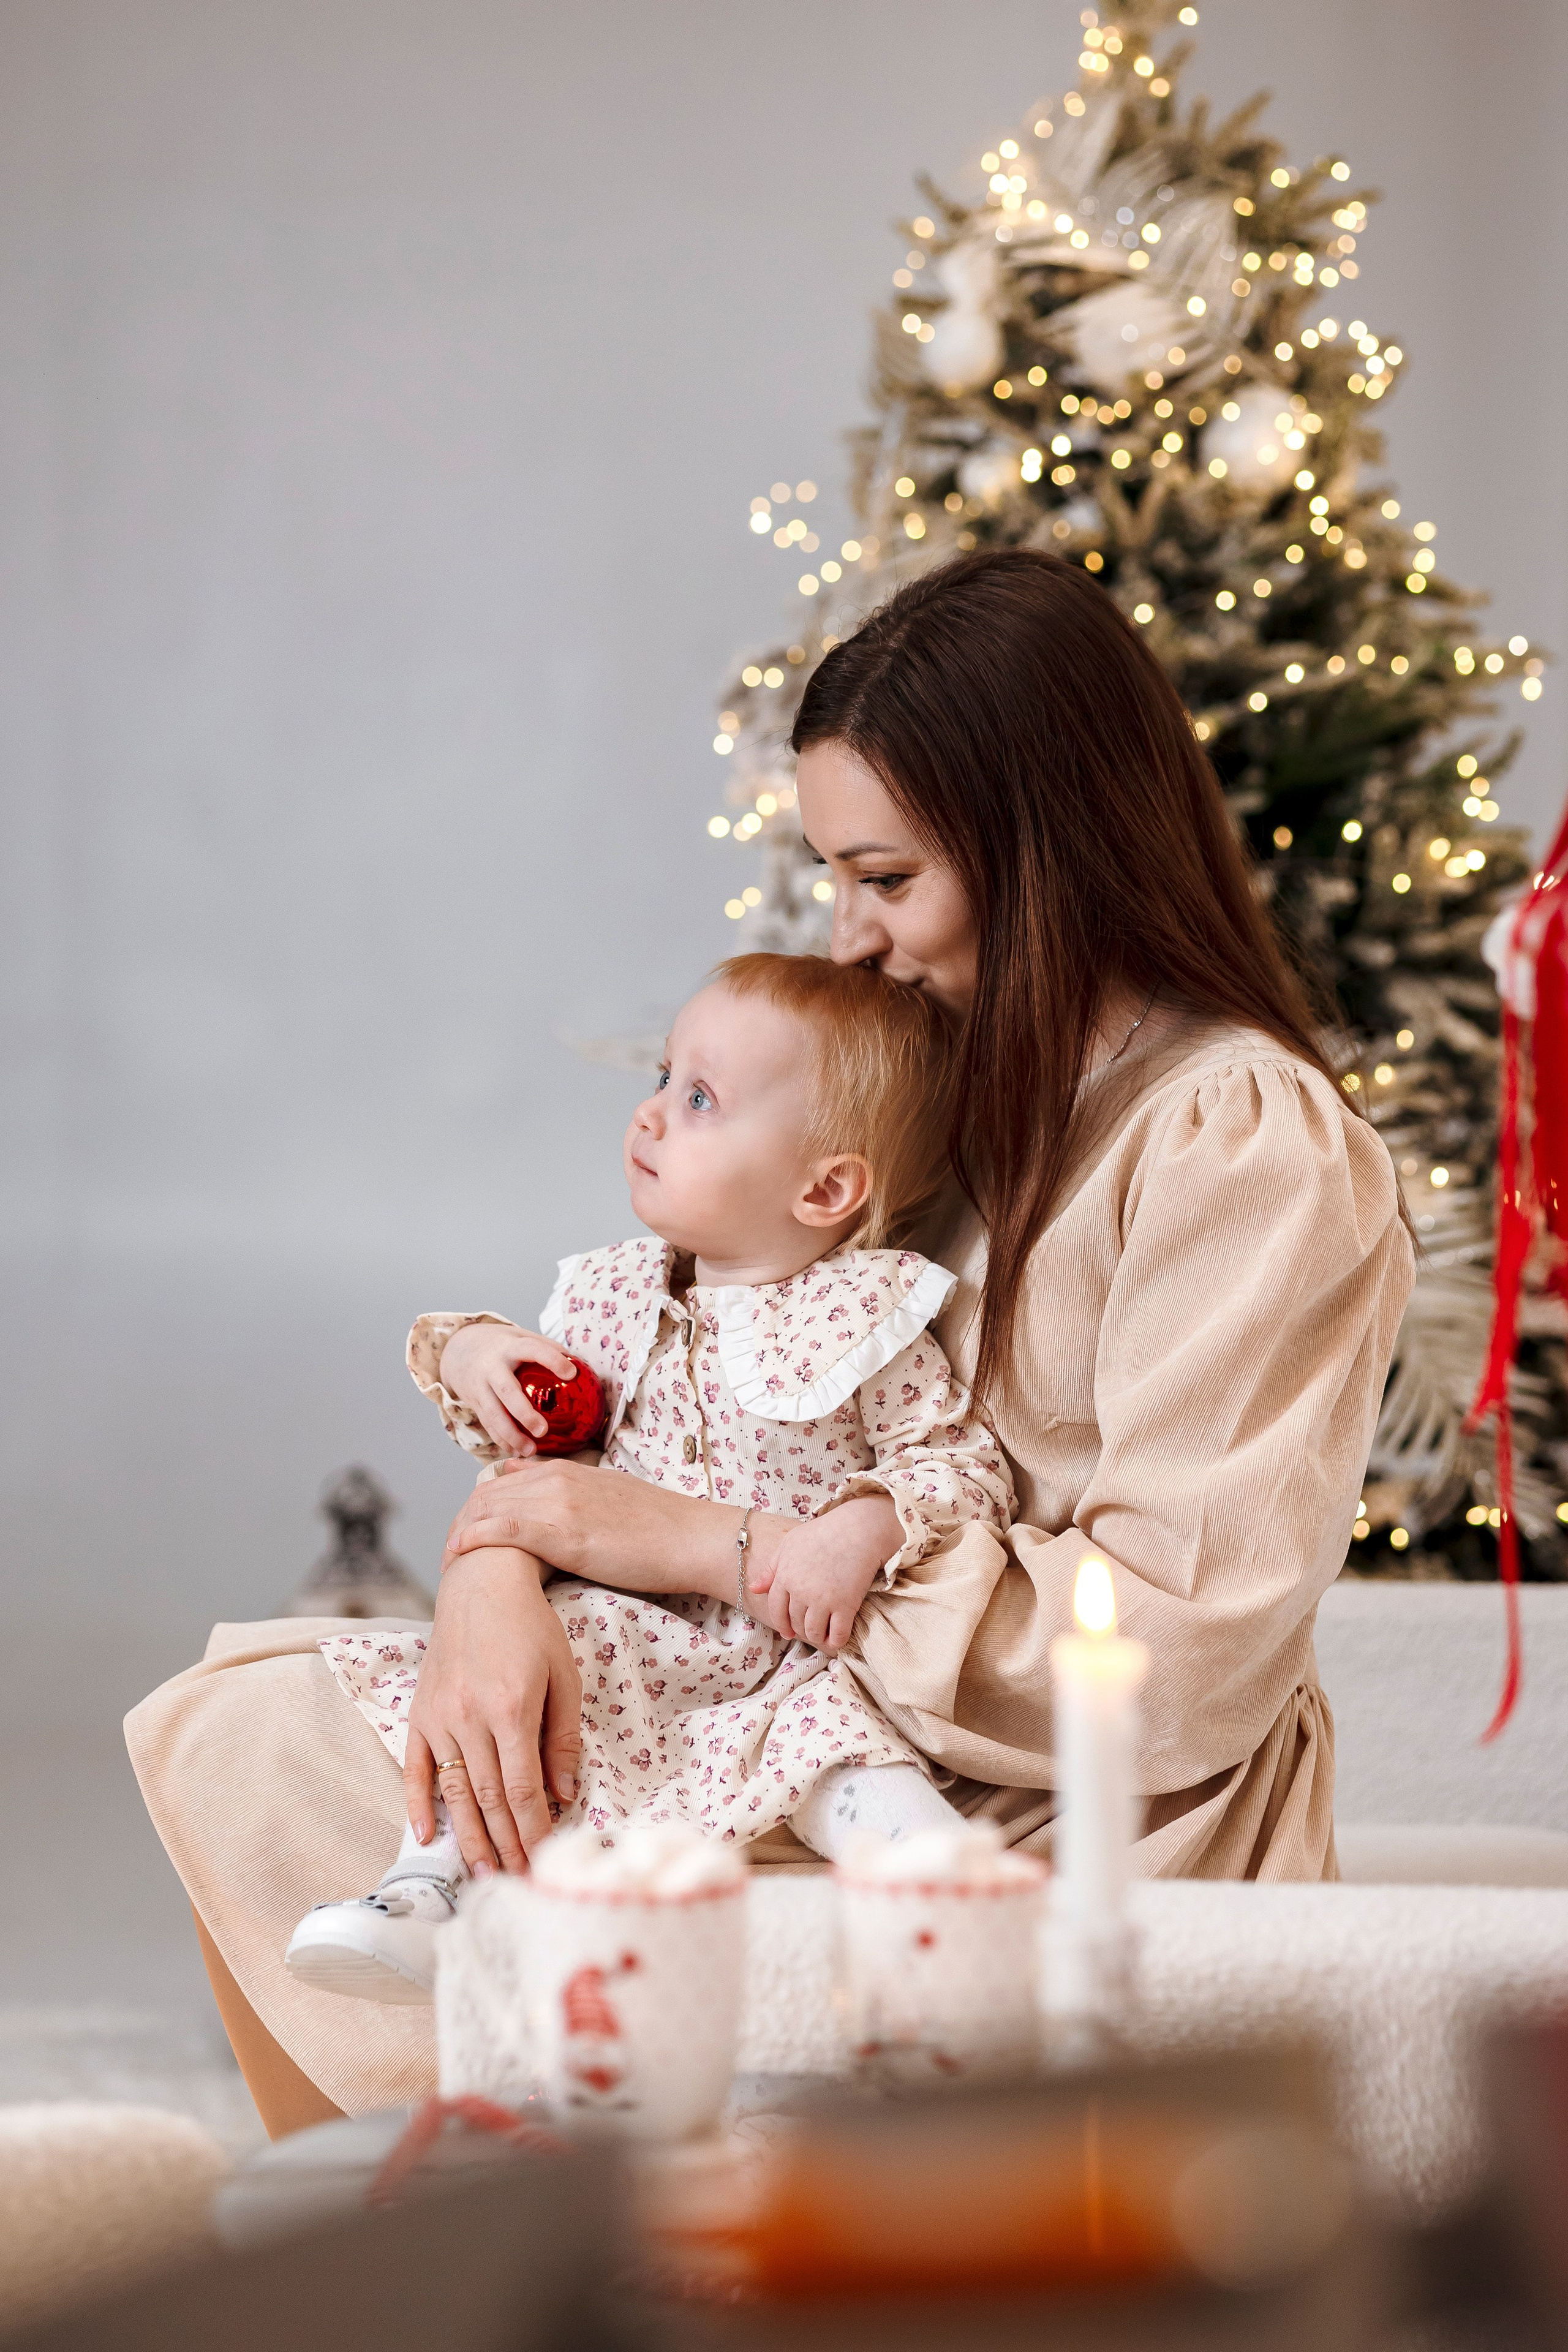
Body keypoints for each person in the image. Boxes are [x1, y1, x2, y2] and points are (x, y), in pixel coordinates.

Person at [126, 548, 1412, 2134]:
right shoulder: (954, 1097)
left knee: (262, 1739)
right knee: (255, 1710)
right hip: (803, 1690)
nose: (855, 937)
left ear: (1047, 849)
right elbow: (678, 1383)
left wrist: (707, 1550)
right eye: (838, 881)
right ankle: (389, 2224)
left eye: (890, 879)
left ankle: (419, 2227)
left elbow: (1173, 1652)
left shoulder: (1242, 1140)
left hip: (1055, 1793)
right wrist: (495, 1574)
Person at [284, 951, 1012, 2001]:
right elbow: (541, 1440)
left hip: (785, 1653)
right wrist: (477, 1354)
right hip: (630, 1631)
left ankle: (942, 1900)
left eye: (700, 1098)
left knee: (852, 1756)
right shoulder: (614, 1294)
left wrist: (866, 1523)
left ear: (825, 1187)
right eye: (663, 1078)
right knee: (503, 1718)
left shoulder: (865, 1318)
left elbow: (958, 1462)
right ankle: (423, 1890)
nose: (651, 1115)